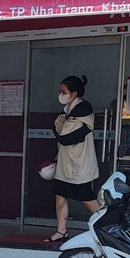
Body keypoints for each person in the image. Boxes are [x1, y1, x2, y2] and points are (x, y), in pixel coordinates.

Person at [47, 74, 100, 243]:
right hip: (66, 164)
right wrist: (59, 126)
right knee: (59, 194)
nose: (60, 94)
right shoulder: (67, 112)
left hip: (79, 164)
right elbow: (60, 130)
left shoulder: (83, 111)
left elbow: (64, 135)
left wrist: (58, 126)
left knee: (87, 198)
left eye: (64, 91)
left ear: (74, 93)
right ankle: (61, 231)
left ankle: (109, 225)